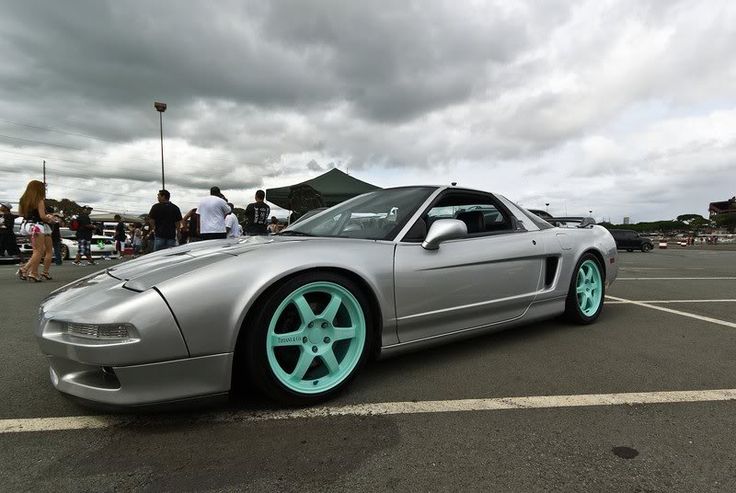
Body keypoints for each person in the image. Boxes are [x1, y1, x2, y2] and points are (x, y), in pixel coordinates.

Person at [17, 180, 57, 281]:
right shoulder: (39, 200)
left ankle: (27, 270)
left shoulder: (23, 200)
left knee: (36, 250)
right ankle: (33, 272)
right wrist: (50, 218)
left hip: (26, 225)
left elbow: (20, 214)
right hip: (37, 226)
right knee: (39, 251)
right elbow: (42, 217)